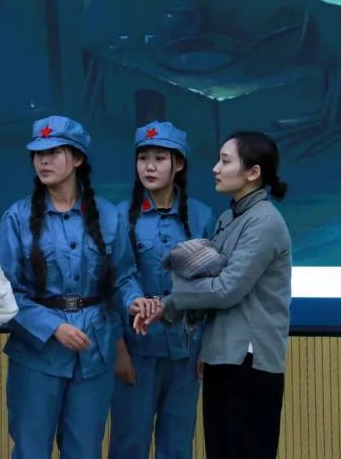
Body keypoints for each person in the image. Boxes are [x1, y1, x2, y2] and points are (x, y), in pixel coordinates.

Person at [0, 115, 155, 459]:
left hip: (94, 352)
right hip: (36, 354)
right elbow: (6, 292)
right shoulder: (17, 217)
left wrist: (134, 301)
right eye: (38, 154)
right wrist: (53, 327)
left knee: (84, 450)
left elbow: (123, 277)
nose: (43, 160)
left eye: (54, 152)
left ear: (78, 158)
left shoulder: (109, 215)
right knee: (31, 450)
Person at [140, 131, 292, 459]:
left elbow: (226, 289)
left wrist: (173, 299)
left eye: (225, 161)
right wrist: (165, 307)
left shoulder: (265, 222)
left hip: (249, 361)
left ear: (253, 172)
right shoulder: (228, 217)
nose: (215, 168)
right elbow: (209, 280)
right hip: (222, 356)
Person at [109, 121, 214, 459]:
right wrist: (119, 347)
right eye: (143, 159)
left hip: (186, 349)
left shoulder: (201, 215)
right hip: (138, 348)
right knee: (129, 442)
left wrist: (208, 345)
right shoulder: (120, 216)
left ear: (178, 164)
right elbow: (115, 280)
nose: (149, 167)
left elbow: (210, 285)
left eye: (159, 158)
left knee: (178, 444)